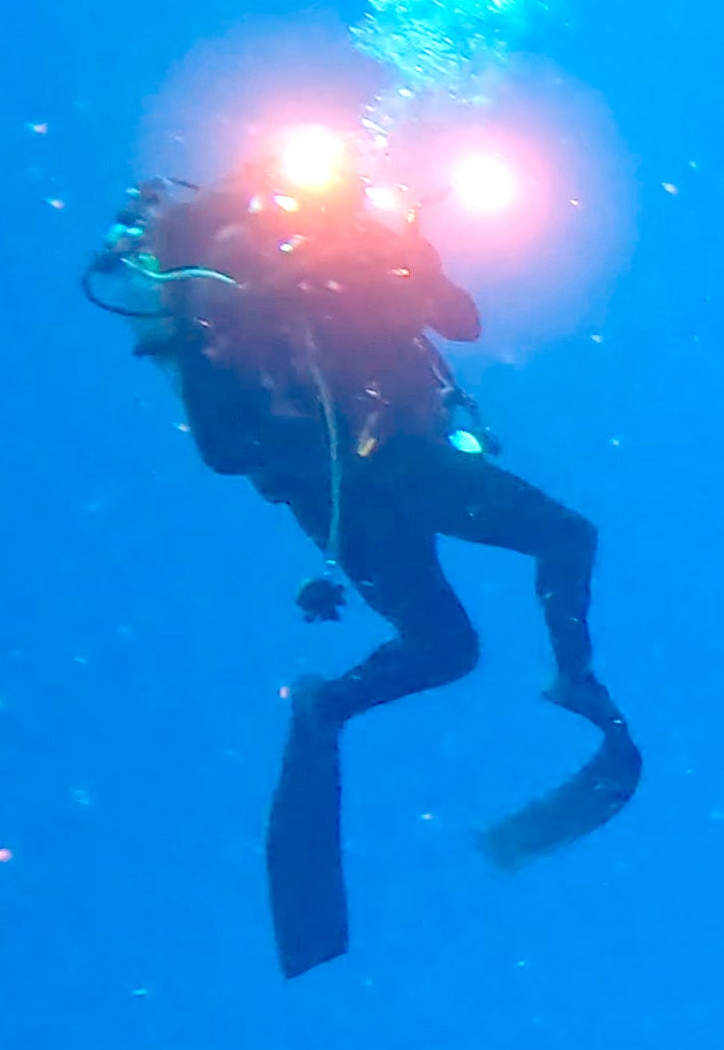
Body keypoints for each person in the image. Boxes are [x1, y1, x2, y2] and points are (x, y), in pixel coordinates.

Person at [84, 134, 638, 978]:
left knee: (466, 631)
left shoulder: (361, 248)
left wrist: (401, 251)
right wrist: (296, 299)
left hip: (390, 469)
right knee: (518, 582)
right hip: (352, 482)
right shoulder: (237, 283)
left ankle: (360, 703)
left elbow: (459, 319)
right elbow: (223, 447)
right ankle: (544, 681)